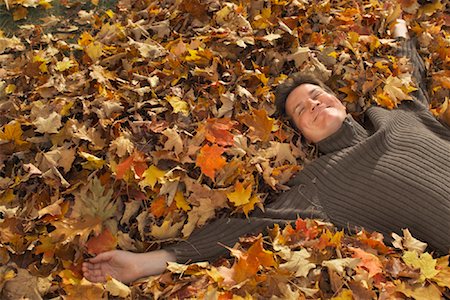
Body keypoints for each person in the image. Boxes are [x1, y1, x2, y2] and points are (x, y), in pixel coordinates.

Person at [82, 20, 450, 284]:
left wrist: (401, 31)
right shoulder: (322, 182)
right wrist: (149, 262)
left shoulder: (394, 117)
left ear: (337, 99)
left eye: (317, 96)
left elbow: (408, 78)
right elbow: (249, 224)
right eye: (302, 110)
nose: (314, 105)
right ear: (302, 133)